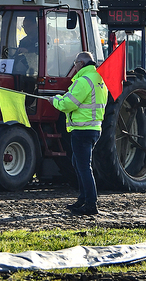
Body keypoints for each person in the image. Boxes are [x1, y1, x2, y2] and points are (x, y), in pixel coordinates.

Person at [52, 52, 108, 216]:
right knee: (78, 164)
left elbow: (68, 104)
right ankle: (83, 199)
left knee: (83, 167)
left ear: (82, 63)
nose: (74, 67)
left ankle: (91, 203)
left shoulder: (83, 81)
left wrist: (55, 100)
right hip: (93, 129)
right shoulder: (98, 79)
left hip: (82, 130)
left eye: (75, 63)